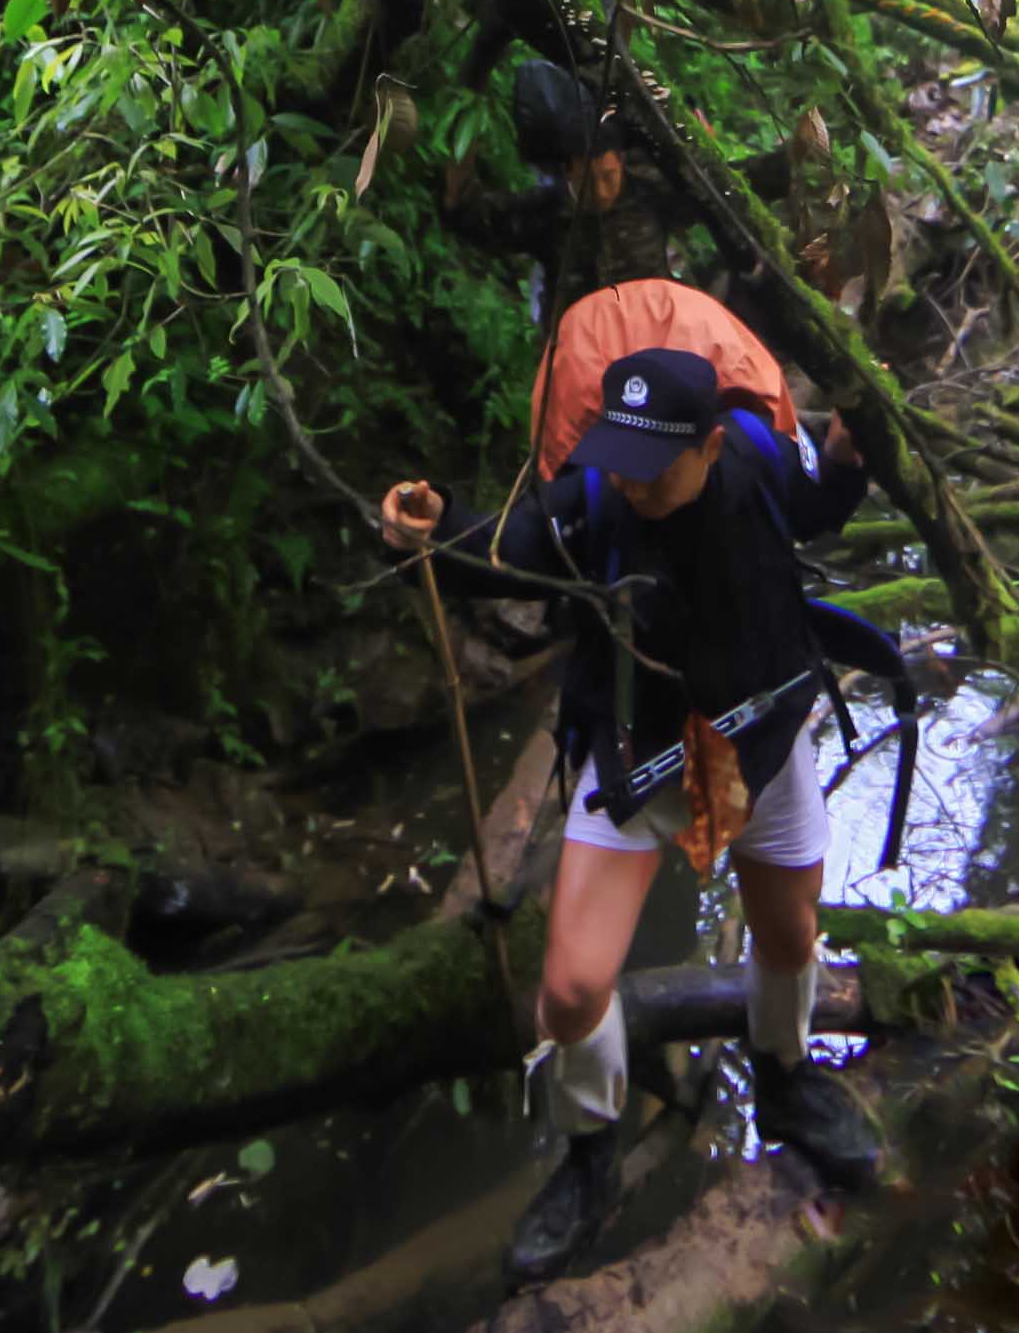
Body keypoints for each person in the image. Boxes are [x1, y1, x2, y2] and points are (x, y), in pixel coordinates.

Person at [381, 314, 913, 1280]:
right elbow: (511, 546)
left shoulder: (756, 465)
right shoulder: (598, 495)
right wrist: (436, 524)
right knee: (573, 987)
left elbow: (822, 501)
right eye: (616, 459)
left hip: (761, 732)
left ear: (710, 445)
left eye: (650, 465)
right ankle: (591, 1152)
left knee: (790, 938)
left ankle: (786, 1084)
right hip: (639, 751)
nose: (627, 480)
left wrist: (848, 449)